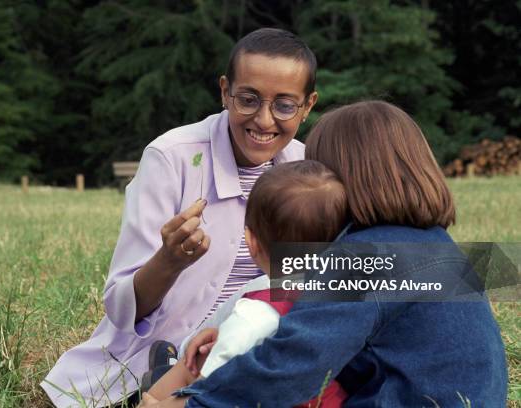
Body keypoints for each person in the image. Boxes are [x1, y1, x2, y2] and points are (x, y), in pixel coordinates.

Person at [153, 101, 508, 407]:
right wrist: (231, 331)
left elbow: (293, 364)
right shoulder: (432, 246)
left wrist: (193, 401)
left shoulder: (363, 258)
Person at [41, 27, 319, 407]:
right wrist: (167, 262)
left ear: (308, 106)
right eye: (248, 99)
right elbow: (121, 309)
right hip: (146, 366)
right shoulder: (171, 157)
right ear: (225, 92)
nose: (264, 120)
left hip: (249, 358)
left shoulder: (310, 172)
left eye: (285, 105)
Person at [139, 161, 349, 408]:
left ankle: (149, 400)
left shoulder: (256, 311)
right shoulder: (343, 295)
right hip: (329, 399)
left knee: (192, 365)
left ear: (251, 241)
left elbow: (213, 390)